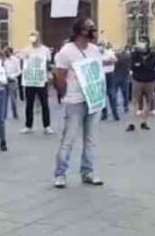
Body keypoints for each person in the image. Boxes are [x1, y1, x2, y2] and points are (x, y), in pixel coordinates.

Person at [53, 17, 104, 188]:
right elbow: (60, 75)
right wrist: (63, 93)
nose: (93, 31)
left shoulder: (95, 50)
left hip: (93, 100)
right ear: (81, 31)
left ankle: (88, 171)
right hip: (75, 99)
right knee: (69, 138)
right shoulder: (66, 51)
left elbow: (98, 72)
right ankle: (60, 174)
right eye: (90, 28)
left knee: (91, 139)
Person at [20, 32, 53, 134]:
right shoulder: (26, 50)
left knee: (44, 103)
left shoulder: (45, 50)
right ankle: (28, 125)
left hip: (41, 80)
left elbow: (48, 64)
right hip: (30, 80)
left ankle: (47, 125)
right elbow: (22, 63)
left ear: (39, 38)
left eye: (35, 36)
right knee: (29, 103)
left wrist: (49, 75)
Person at [127, 37, 155, 132]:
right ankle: (131, 123)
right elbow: (133, 66)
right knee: (134, 101)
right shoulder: (134, 54)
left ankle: (144, 122)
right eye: (140, 41)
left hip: (150, 80)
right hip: (137, 80)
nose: (141, 43)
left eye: (143, 42)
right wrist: (140, 65)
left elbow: (151, 66)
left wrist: (140, 64)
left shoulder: (152, 54)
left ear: (147, 43)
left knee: (148, 101)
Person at [100, 42, 120, 122]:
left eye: (101, 46)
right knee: (102, 96)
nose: (100, 48)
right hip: (101, 75)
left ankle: (115, 114)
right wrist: (107, 62)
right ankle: (104, 113)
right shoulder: (96, 54)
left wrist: (105, 62)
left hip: (110, 75)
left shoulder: (109, 52)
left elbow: (114, 60)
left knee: (112, 95)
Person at [3, 48, 21, 120]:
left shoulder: (16, 60)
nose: (6, 53)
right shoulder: (5, 61)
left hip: (13, 81)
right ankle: (4, 115)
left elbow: (19, 71)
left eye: (7, 52)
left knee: (13, 99)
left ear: (10, 52)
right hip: (5, 80)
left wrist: (13, 76)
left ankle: (15, 114)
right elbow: (4, 70)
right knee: (4, 99)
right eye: (5, 52)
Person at [114, 45, 133, 112]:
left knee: (115, 92)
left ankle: (115, 105)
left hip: (116, 76)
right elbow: (130, 65)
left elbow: (114, 65)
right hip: (125, 76)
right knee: (125, 92)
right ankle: (126, 106)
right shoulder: (128, 56)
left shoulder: (115, 56)